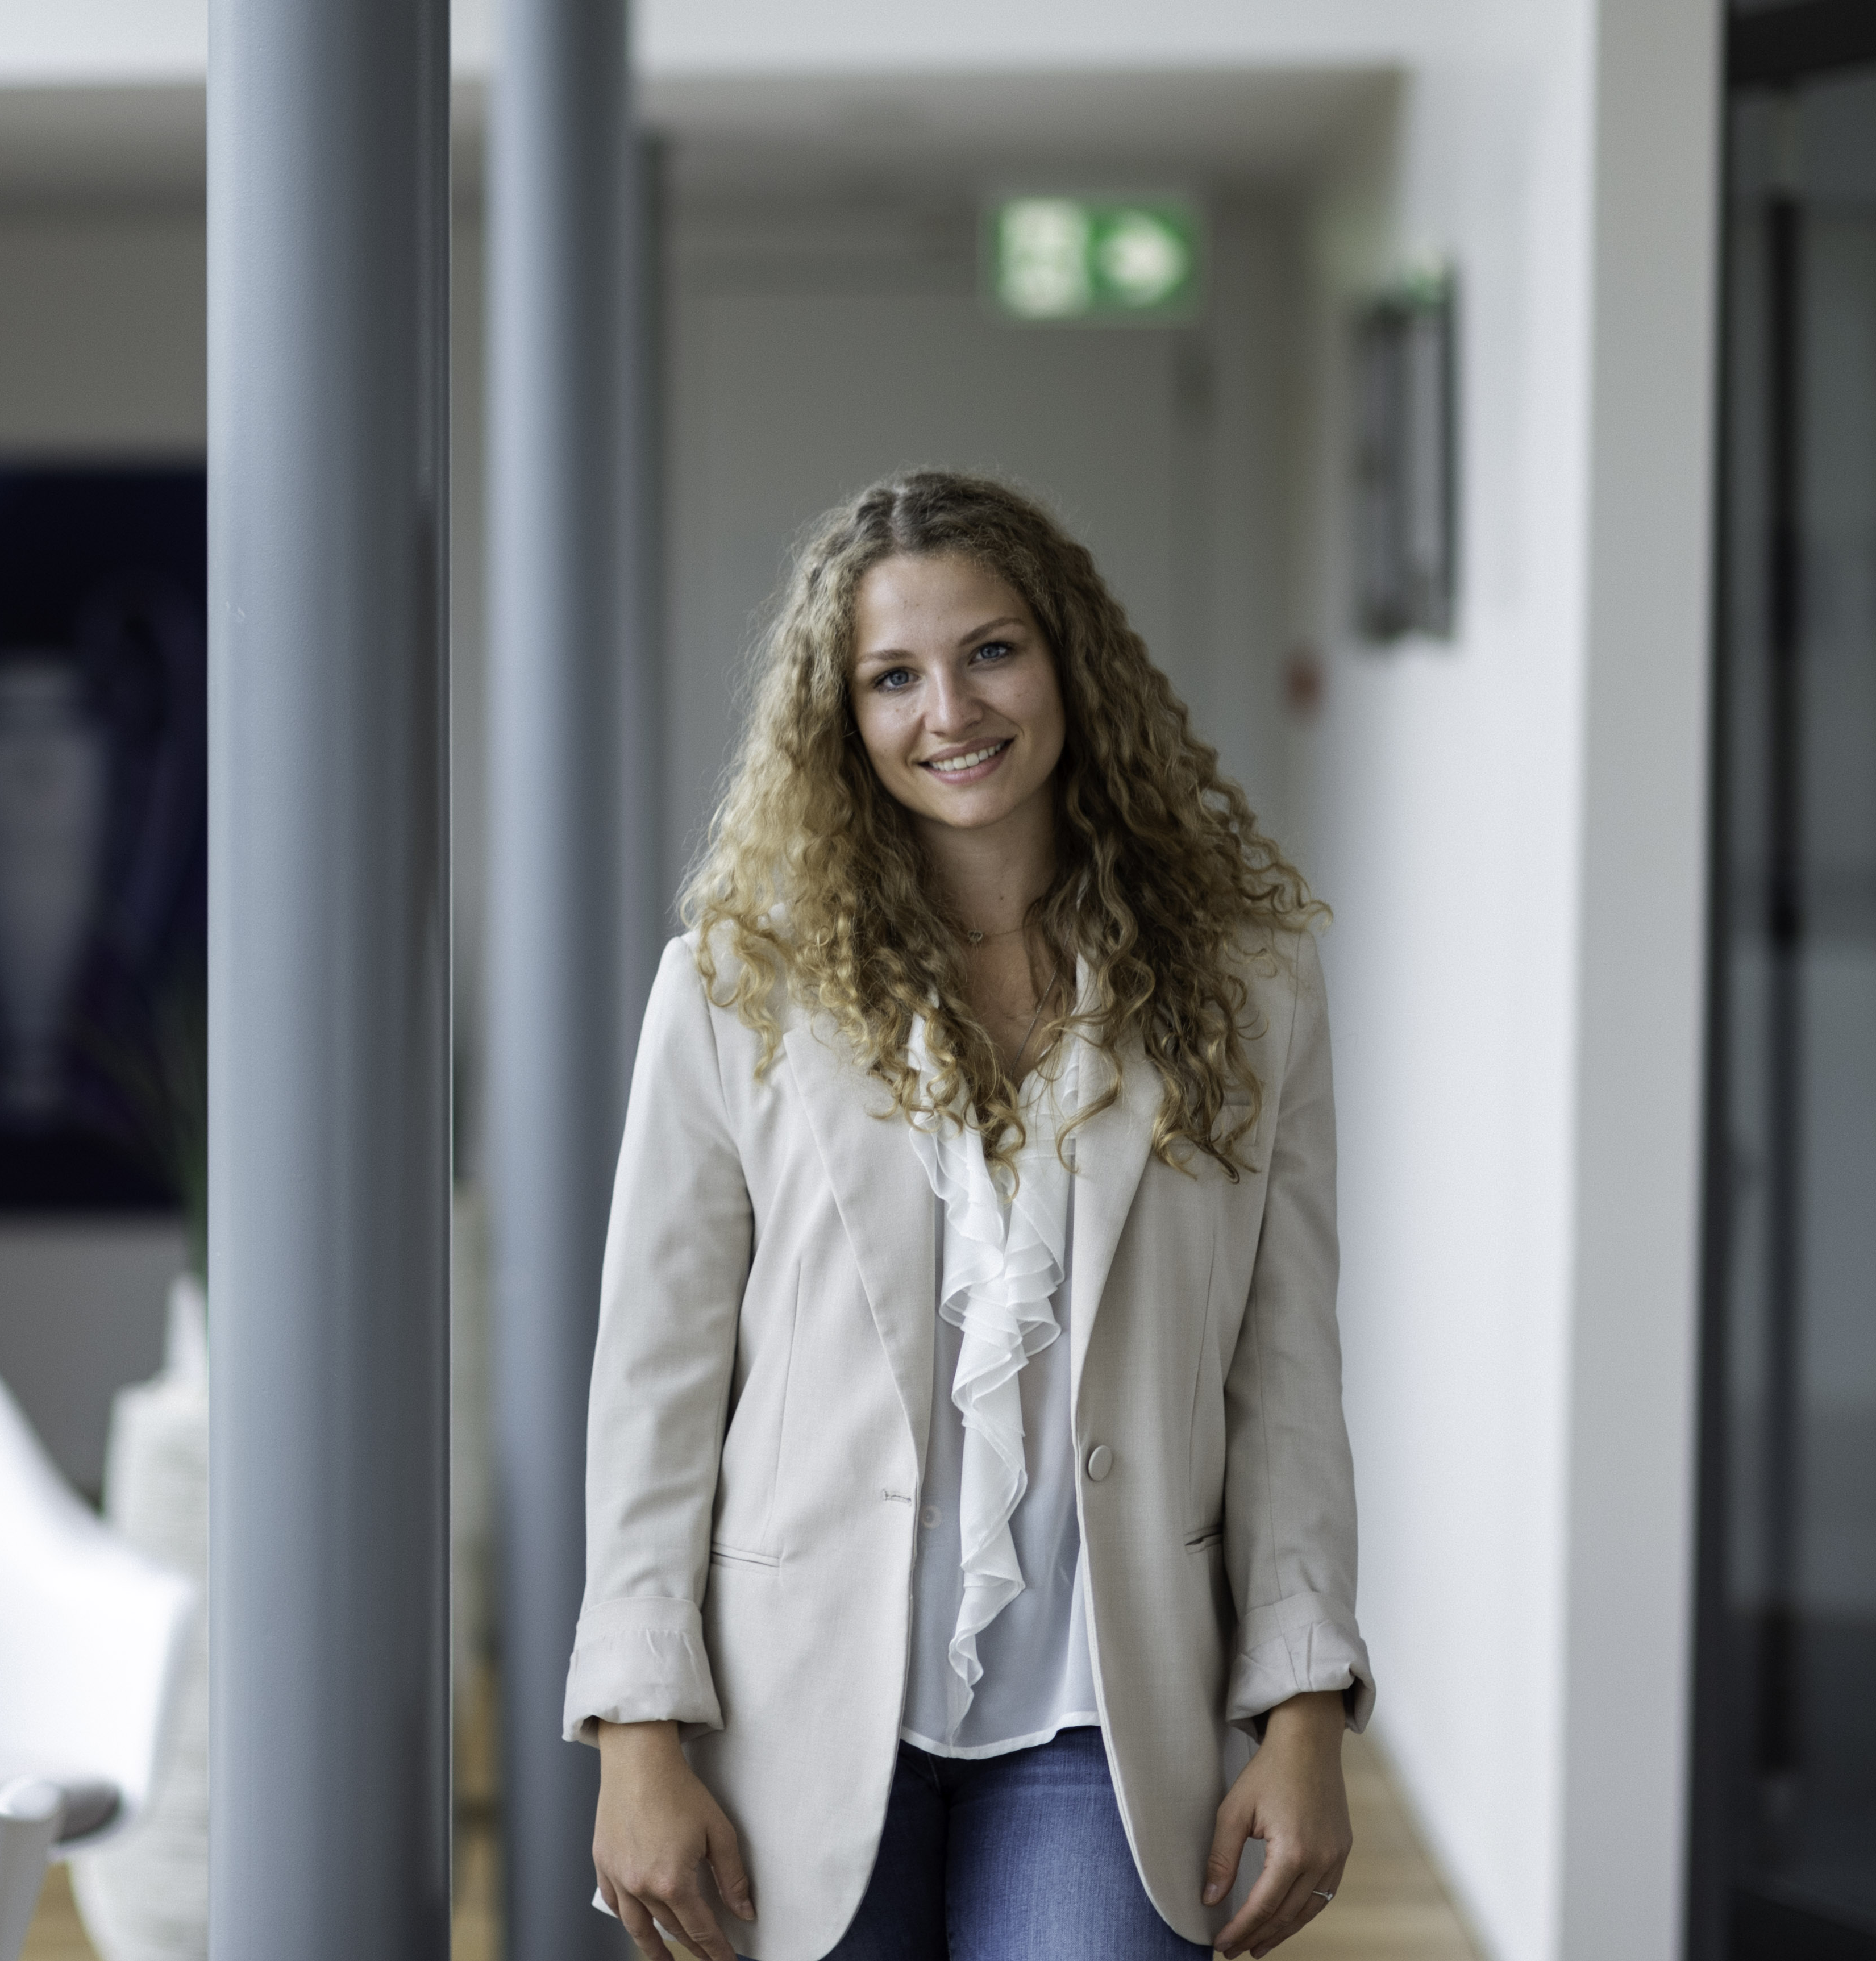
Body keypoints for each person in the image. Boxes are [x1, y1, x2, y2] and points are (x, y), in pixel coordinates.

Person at [565, 472, 1371, 1961]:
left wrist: (1307, 1708)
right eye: (893, 675)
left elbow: (1285, 1377)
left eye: (990, 651)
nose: (950, 708)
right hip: (797, 1697)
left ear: (1071, 661)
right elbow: (654, 1381)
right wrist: (634, 1729)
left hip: (1104, 1704)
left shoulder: (1253, 990)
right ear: (845, 716)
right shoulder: (736, 990)